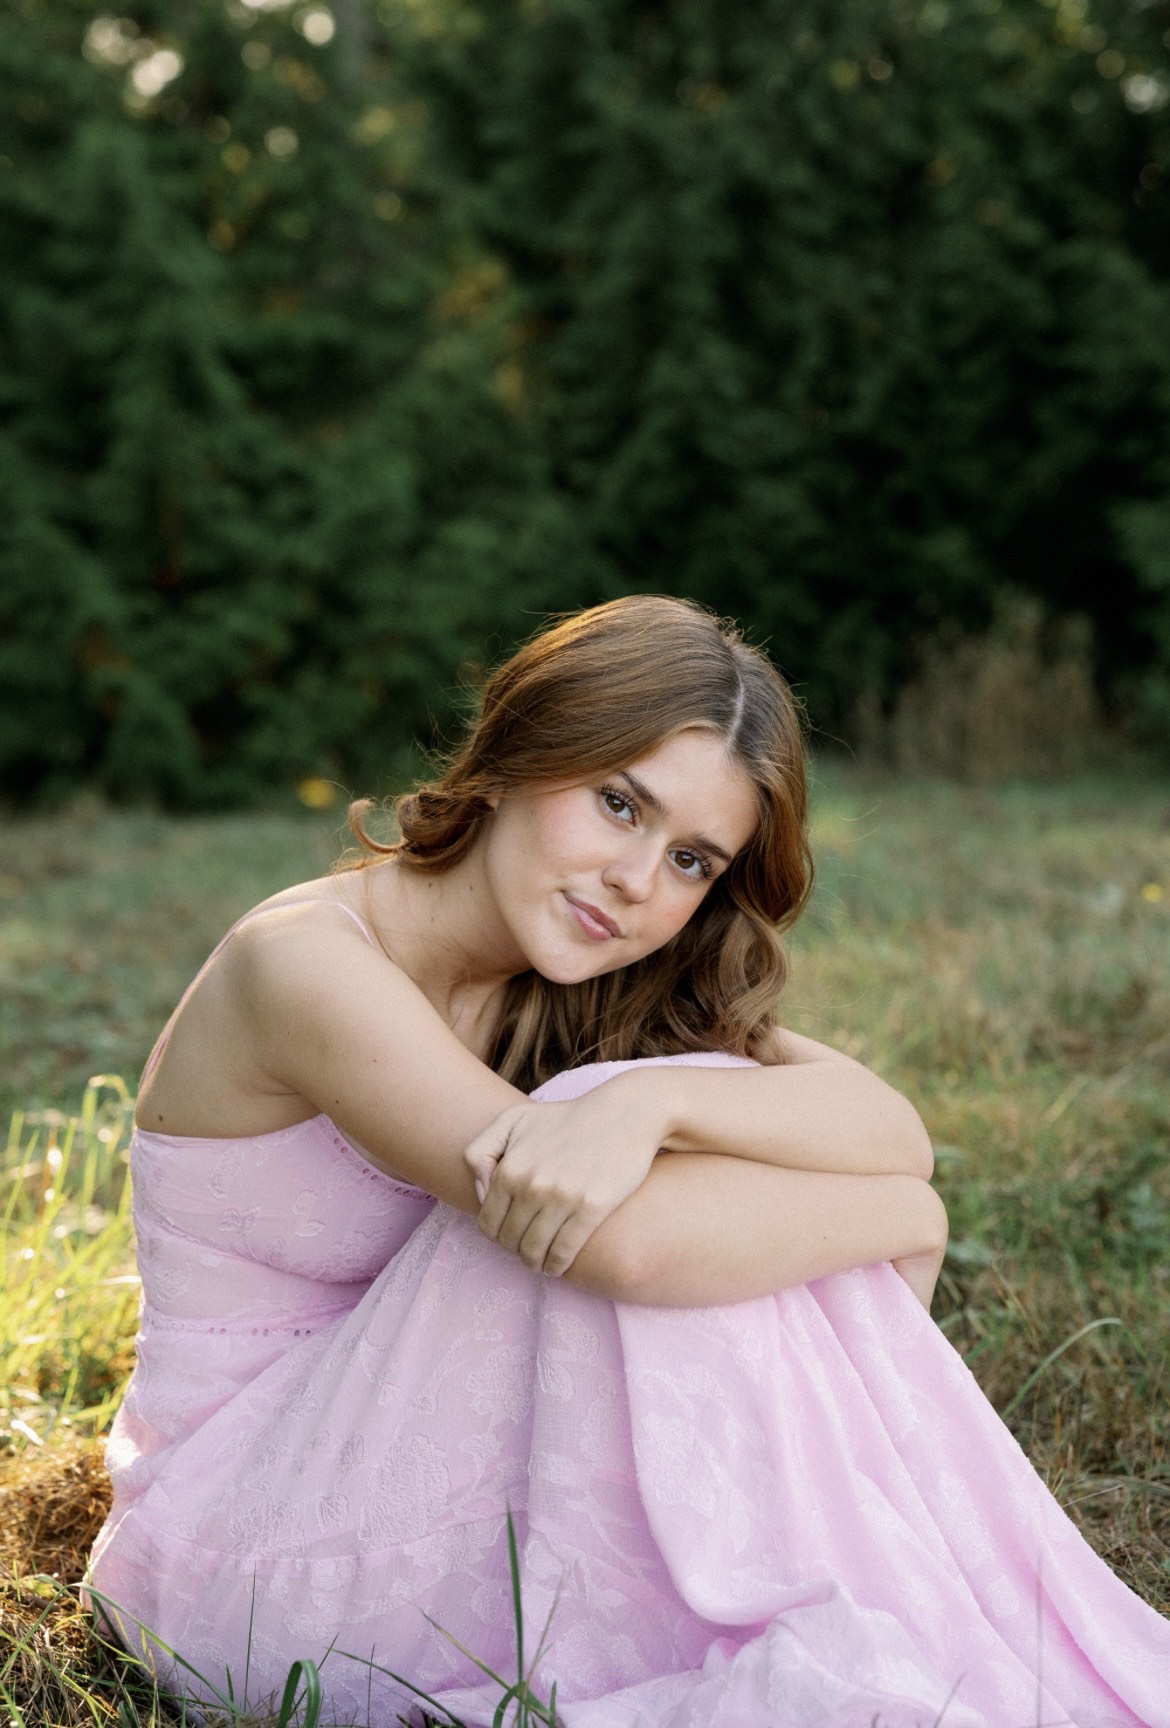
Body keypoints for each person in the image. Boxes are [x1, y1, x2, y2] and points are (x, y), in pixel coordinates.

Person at [88, 596, 1170, 1728]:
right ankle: (824, 1574)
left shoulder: (582, 983)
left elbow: (888, 1127)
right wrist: (905, 1218)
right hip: (240, 1542)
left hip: (414, 1474)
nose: (638, 882)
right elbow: (623, 1246)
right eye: (618, 804)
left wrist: (660, 1098)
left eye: (692, 859)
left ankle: (823, 1585)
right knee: (628, 1148)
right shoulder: (302, 962)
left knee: (653, 1115)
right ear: (516, 754)